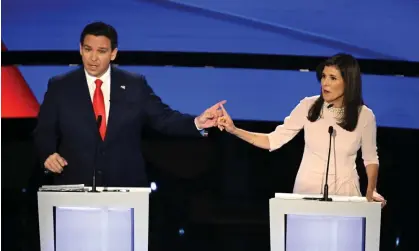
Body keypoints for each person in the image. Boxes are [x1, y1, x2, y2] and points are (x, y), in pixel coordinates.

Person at [34, 21, 225, 187]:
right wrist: (48, 154)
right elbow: (44, 130)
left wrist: (198, 122)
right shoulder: (60, 86)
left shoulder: (134, 85)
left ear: (113, 53)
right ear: (80, 49)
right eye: (87, 49)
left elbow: (163, 119)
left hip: (126, 187)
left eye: (101, 51)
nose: (93, 58)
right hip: (74, 185)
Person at [217, 53, 386, 206]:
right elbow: (273, 140)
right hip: (307, 192)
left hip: (346, 195)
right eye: (324, 76)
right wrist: (234, 130)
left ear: (348, 82)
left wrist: (371, 191)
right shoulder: (308, 106)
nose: (325, 83)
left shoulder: (364, 115)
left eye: (333, 78)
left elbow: (370, 158)